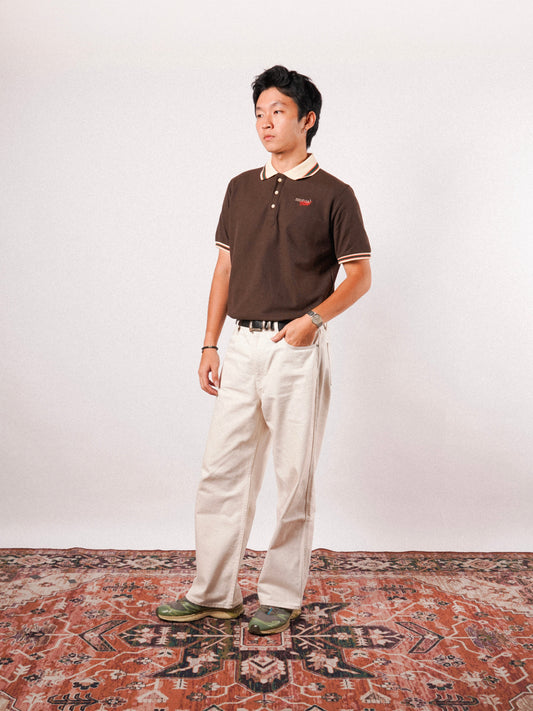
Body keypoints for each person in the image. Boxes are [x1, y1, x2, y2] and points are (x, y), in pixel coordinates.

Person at [157, 65, 371, 635]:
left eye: (278, 111)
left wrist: (312, 321)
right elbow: (224, 268)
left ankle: (280, 594)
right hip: (241, 345)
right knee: (220, 471)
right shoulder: (240, 187)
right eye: (259, 113)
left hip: (296, 348)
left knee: (293, 476)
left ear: (308, 119)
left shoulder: (335, 194)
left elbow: (359, 276)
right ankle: (214, 593)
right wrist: (210, 342)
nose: (266, 123)